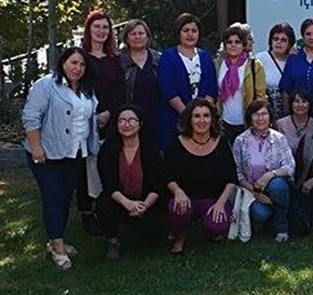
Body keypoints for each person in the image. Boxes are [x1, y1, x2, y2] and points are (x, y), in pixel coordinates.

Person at [21, 47, 99, 270]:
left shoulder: (86, 88)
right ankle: (57, 246)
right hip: (47, 153)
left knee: (65, 198)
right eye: (73, 63)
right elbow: (31, 117)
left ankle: (56, 238)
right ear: (63, 63)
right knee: (53, 197)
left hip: (75, 152)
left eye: (82, 64)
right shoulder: (46, 85)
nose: (78, 68)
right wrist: (37, 148)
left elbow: (86, 116)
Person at [164, 99, 238, 254]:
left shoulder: (222, 143)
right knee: (177, 208)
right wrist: (178, 191)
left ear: (212, 119)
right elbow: (168, 176)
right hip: (185, 199)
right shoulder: (177, 144)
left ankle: (213, 230)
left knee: (217, 226)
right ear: (189, 120)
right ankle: (179, 238)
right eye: (196, 116)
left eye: (206, 116)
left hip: (213, 199)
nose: (201, 120)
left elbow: (231, 179)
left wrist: (220, 203)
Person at [96, 105, 165, 260]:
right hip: (120, 200)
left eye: (131, 120)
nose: (126, 124)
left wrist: (145, 205)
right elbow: (108, 184)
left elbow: (157, 183)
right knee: (103, 205)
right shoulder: (108, 149)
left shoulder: (150, 149)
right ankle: (112, 242)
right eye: (122, 121)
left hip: (146, 200)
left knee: (161, 207)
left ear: (140, 124)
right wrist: (127, 203)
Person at [232, 100, 297, 242]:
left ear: (270, 117)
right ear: (250, 118)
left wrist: (269, 175)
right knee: (260, 214)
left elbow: (290, 166)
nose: (260, 118)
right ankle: (267, 216)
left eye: (264, 114)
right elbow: (238, 173)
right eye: (256, 114)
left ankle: (281, 226)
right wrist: (255, 192)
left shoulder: (279, 138)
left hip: (275, 186)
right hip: (252, 190)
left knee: (277, 185)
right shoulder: (240, 141)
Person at [78, 10, 119, 236]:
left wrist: (109, 113)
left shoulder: (114, 59)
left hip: (110, 119)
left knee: (106, 162)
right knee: (84, 165)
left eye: (105, 27)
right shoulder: (81, 57)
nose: (101, 31)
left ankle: (106, 205)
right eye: (97, 26)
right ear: (89, 29)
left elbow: (120, 89)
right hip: (84, 118)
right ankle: (86, 211)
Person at [158, 12, 219, 151]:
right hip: (174, 120)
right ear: (178, 33)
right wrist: (188, 116)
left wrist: (201, 116)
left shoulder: (205, 57)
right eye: (186, 30)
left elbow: (212, 89)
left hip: (203, 124)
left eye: (194, 31)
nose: (190, 34)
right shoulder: (167, 57)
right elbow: (168, 90)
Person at [99, 19, 162, 148]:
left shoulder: (159, 59)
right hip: (127, 122)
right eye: (133, 34)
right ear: (126, 38)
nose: (137, 37)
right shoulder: (117, 61)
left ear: (147, 36)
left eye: (141, 33)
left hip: (156, 120)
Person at [216, 23, 267, 140]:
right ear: (225, 45)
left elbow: (261, 97)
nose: (233, 45)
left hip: (246, 123)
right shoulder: (218, 63)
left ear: (243, 45)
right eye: (229, 42)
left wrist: (258, 121)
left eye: (237, 42)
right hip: (222, 122)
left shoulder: (255, 65)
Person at [256, 23, 296, 118]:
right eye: (275, 39)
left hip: (291, 113)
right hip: (267, 114)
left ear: (289, 44)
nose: (279, 42)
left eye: (283, 40)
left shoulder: (294, 61)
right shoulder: (259, 59)